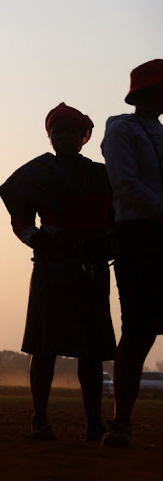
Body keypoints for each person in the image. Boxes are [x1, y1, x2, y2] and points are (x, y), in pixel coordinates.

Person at [0, 103, 115, 441]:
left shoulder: (102, 175)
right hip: (52, 264)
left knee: (91, 350)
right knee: (45, 346)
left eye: (71, 133)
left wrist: (109, 241)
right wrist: (37, 239)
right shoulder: (37, 173)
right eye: (57, 132)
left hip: (92, 266)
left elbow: (116, 215)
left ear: (83, 137)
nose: (64, 138)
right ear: (50, 136)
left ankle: (95, 422)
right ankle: (40, 419)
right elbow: (19, 217)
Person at [101, 59, 163, 447]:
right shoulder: (122, 128)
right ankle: (120, 421)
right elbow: (124, 185)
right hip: (138, 236)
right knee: (138, 331)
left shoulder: (158, 132)